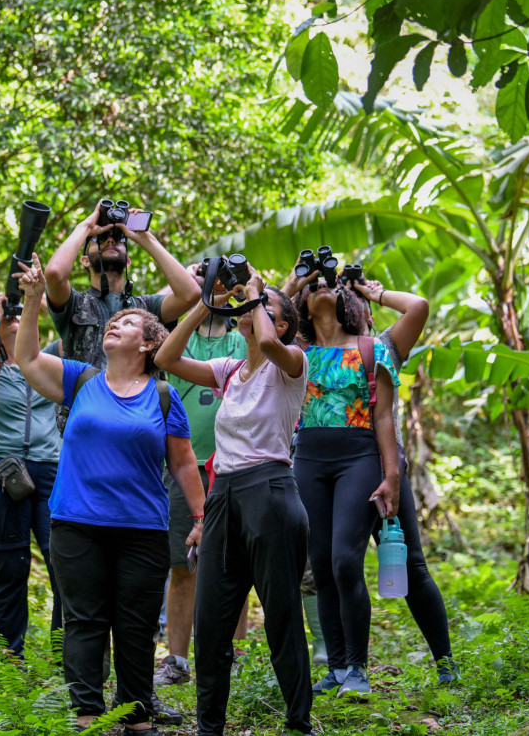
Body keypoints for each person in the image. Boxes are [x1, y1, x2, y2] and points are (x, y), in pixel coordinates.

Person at [14, 255, 206, 736]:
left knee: (136, 626)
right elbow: (27, 359)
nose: (113, 325)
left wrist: (201, 515)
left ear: (146, 344)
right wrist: (34, 300)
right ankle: (88, 716)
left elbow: (182, 462)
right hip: (77, 524)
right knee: (84, 621)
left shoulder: (163, 395)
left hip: (142, 529)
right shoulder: (81, 380)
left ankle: (138, 717)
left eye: (126, 322)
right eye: (112, 322)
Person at [156, 267, 313, 735]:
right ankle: (210, 727)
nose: (249, 307)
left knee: (282, 615)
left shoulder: (291, 362)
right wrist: (207, 301)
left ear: (280, 322)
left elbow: (266, 345)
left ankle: (298, 722)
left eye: (265, 309)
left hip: (271, 491)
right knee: (212, 620)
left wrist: (261, 295)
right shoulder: (228, 370)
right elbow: (166, 356)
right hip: (223, 493)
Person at [289, 264, 401, 698]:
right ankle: (336, 667)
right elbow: (263, 326)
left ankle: (357, 667)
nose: (321, 287)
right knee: (318, 561)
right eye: (313, 286)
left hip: (359, 457)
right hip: (310, 460)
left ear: (342, 298)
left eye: (326, 282)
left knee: (344, 561)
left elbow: (385, 416)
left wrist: (391, 476)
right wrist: (296, 281)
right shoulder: (296, 351)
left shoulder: (373, 349)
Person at [353, 277, 458, 683]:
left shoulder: (381, 348)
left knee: (412, 565)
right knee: (340, 569)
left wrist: (373, 292)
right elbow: (277, 323)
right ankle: (347, 668)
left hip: (385, 474)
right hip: (329, 473)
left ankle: (445, 662)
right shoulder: (310, 351)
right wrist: (303, 283)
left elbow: (417, 307)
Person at [152, 269, 248, 689]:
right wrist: (198, 297)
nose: (219, 288)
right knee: (181, 566)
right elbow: (160, 341)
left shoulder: (239, 339)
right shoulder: (181, 336)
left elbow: (269, 323)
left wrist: (243, 287)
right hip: (182, 466)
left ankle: (236, 654)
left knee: (236, 564)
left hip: (232, 465)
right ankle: (177, 659)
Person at [0, 290, 63, 658]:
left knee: (64, 565)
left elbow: (74, 330)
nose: (13, 318)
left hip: (51, 470)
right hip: (2, 473)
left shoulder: (51, 360)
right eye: (9, 315)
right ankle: (10, 658)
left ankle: (65, 654)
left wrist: (36, 300)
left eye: (19, 314)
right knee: (10, 568)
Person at [44, 201, 200, 369]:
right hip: (88, 394)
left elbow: (190, 294)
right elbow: (54, 274)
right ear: (85, 260)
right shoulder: (75, 304)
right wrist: (87, 226)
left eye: (118, 239)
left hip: (139, 395)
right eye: (101, 239)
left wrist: (146, 238)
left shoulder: (147, 308)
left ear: (127, 261)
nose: (110, 240)